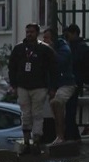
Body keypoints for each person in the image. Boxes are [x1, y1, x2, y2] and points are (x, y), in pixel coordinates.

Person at [8, 23, 56, 154]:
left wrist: (52, 87)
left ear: (37, 33)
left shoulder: (45, 50)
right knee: (25, 113)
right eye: (27, 32)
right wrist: (14, 85)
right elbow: (12, 67)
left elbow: (53, 69)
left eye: (32, 32)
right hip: (22, 86)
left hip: (39, 87)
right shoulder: (19, 49)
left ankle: (37, 139)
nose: (29, 34)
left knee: (37, 113)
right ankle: (26, 140)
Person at [42, 26, 76, 145]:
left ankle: (60, 135)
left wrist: (51, 49)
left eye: (47, 38)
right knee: (51, 110)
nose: (44, 40)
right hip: (53, 85)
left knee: (56, 103)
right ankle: (56, 135)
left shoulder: (63, 47)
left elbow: (61, 62)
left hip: (65, 83)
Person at [64, 23, 89, 142]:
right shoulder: (81, 47)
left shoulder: (76, 48)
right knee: (70, 110)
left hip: (72, 81)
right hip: (75, 80)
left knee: (69, 110)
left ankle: (71, 135)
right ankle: (72, 135)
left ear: (74, 33)